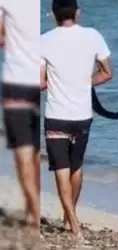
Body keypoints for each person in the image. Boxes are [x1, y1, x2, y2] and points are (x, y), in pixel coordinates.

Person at [40, 0, 113, 238]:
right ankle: (70, 217)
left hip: (56, 116)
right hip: (82, 115)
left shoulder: (43, 41)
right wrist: (83, 82)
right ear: (78, 13)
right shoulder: (93, 36)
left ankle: (74, 224)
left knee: (61, 170)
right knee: (76, 167)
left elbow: (41, 83)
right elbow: (107, 73)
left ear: (53, 15)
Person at [0, 0, 41, 229]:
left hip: (16, 82)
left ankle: (33, 213)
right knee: (35, 150)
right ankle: (31, 210)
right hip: (38, 81)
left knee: (23, 152)